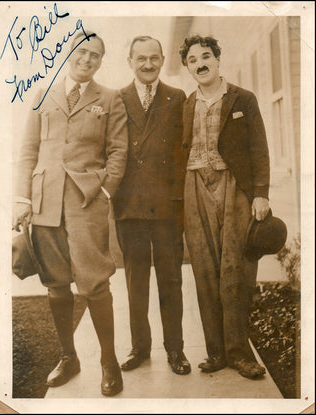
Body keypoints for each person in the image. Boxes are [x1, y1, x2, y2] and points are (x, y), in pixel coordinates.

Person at [12, 31, 128, 396]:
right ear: (67, 53)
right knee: (56, 283)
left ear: (100, 61)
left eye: (95, 55)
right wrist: (23, 199)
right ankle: (68, 356)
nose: (87, 60)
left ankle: (108, 363)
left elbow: (118, 153)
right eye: (81, 52)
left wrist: (104, 192)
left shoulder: (110, 98)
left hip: (85, 204)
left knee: (95, 283)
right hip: (45, 203)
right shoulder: (41, 94)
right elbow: (28, 150)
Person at [179, 35, 270, 379]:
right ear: (187, 67)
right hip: (195, 186)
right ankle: (216, 352)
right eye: (192, 60)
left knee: (237, 267)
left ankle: (239, 353)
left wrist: (260, 192)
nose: (200, 63)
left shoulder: (243, 98)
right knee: (204, 268)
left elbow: (259, 148)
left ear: (217, 59)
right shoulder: (187, 104)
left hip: (234, 186)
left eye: (206, 56)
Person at [112, 36, 191, 375]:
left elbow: (184, 151)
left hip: (167, 207)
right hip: (130, 207)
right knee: (136, 281)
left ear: (162, 60)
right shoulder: (116, 99)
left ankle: (176, 350)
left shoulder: (177, 98)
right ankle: (139, 348)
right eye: (141, 58)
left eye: (154, 59)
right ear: (129, 60)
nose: (147, 65)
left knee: (171, 280)